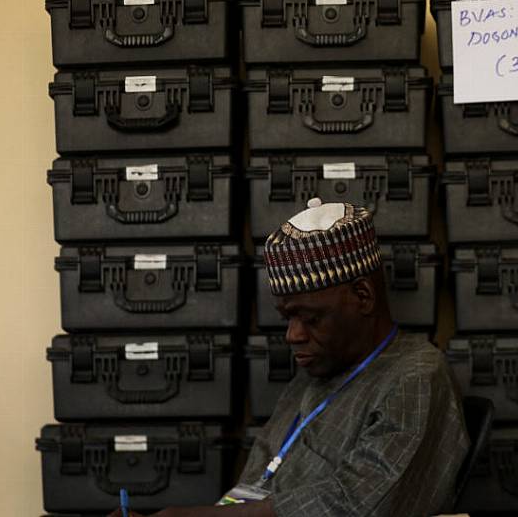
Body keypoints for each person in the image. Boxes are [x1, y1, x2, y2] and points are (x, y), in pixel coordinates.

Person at [110, 199, 469, 517]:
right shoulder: (319, 372)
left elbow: (358, 506)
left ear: (363, 296)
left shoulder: (416, 376)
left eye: (310, 318)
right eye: (288, 318)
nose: (292, 335)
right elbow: (257, 486)